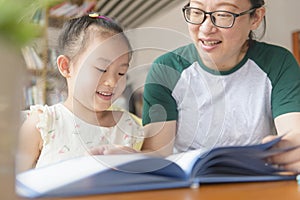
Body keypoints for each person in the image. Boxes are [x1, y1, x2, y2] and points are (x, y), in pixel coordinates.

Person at [141, 0, 300, 172]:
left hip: (258, 185)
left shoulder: (278, 63)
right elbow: (156, 154)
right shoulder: (167, 70)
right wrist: (125, 157)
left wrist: (291, 151)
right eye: (196, 12)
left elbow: (294, 135)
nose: (206, 28)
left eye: (223, 15)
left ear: (256, 18)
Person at [16, 13, 144, 173]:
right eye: (101, 69)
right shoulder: (43, 124)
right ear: (66, 66)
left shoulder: (131, 127)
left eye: (121, 73)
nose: (112, 82)